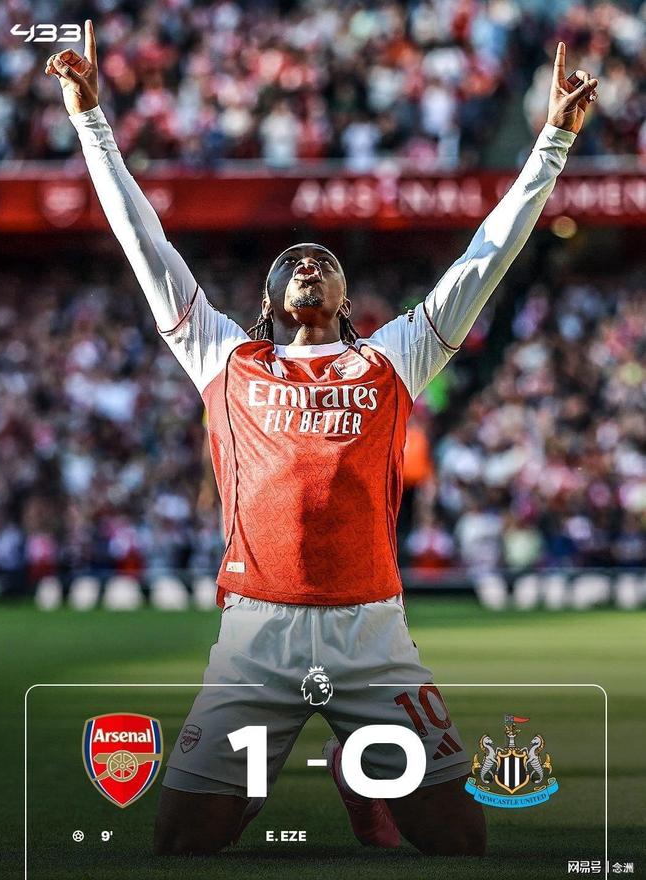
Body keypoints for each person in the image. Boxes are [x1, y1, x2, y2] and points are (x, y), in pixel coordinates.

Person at [46, 22, 598, 858]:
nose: (308, 264)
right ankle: (270, 780)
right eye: (292, 261)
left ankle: (360, 782)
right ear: (269, 300)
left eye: (322, 261)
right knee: (183, 842)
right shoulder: (224, 355)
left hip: (370, 632)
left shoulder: (394, 355)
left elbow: (486, 256)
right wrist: (90, 119)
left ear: (345, 298)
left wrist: (553, 140)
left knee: (458, 839)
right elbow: (143, 241)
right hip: (255, 636)